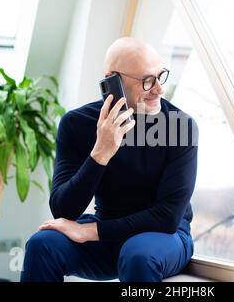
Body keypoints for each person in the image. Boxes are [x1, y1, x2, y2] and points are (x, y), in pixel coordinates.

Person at [20, 37, 198, 282]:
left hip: (164, 236)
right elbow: (63, 209)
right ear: (113, 80)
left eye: (161, 76)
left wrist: (90, 231)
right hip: (108, 233)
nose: (159, 88)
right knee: (42, 244)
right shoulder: (77, 123)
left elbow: (167, 218)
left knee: (137, 253)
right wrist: (101, 152)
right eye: (147, 81)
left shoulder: (181, 126)